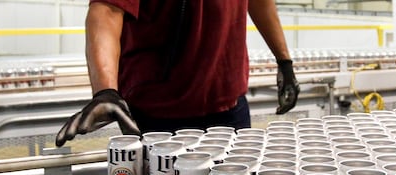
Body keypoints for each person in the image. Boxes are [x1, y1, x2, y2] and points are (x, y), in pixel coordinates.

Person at [55, 0, 300, 146]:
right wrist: (105, 91)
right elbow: (107, 10)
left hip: (230, 109)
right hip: (159, 117)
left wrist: (284, 61)